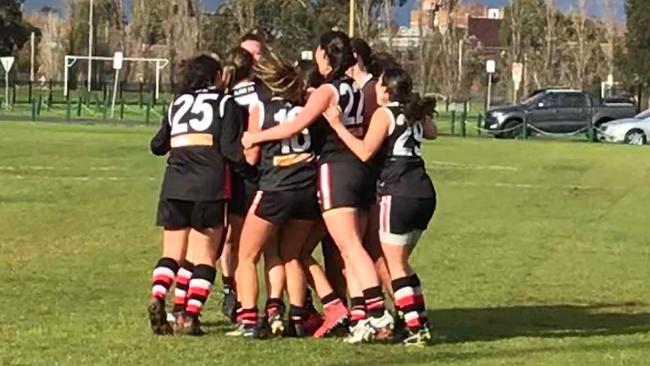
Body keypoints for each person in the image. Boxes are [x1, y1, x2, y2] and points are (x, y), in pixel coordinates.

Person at [242, 31, 394, 344]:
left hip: (335, 169)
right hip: (358, 169)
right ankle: (362, 316)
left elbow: (295, 125)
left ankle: (377, 314)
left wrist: (256, 137)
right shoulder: (355, 87)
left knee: (349, 247)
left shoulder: (327, 90)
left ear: (326, 54)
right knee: (347, 250)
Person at [323, 66, 437, 346]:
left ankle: (415, 329)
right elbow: (432, 132)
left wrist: (338, 126)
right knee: (401, 264)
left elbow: (364, 152)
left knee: (394, 265)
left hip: (397, 192)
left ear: (386, 89)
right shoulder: (414, 114)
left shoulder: (384, 114)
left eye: (379, 85)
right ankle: (419, 320)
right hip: (424, 191)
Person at [148, 55, 245, 336]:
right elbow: (230, 150)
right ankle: (189, 315)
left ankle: (158, 294)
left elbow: (157, 145)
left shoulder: (178, 102)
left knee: (172, 253)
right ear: (215, 76)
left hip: (175, 184)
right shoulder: (226, 102)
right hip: (209, 186)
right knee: (204, 254)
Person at [228, 53, 320, 338]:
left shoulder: (261, 109)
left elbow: (253, 158)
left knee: (246, 255)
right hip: (306, 190)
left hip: (275, 189)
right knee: (289, 254)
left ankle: (249, 321)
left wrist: (246, 144)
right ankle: (293, 317)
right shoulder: (305, 107)